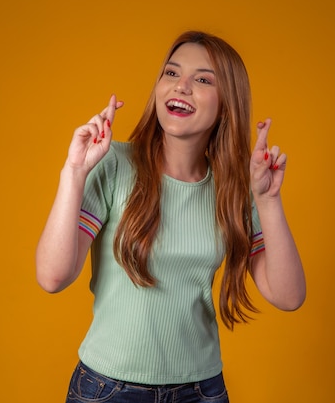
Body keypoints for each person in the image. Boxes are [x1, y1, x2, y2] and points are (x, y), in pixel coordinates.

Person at [35, 30, 306, 403]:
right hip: (108, 391)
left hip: (202, 391)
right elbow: (52, 277)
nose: (181, 87)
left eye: (202, 80)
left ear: (227, 104)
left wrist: (269, 200)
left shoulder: (235, 188)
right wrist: (74, 173)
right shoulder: (112, 164)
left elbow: (288, 296)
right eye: (172, 73)